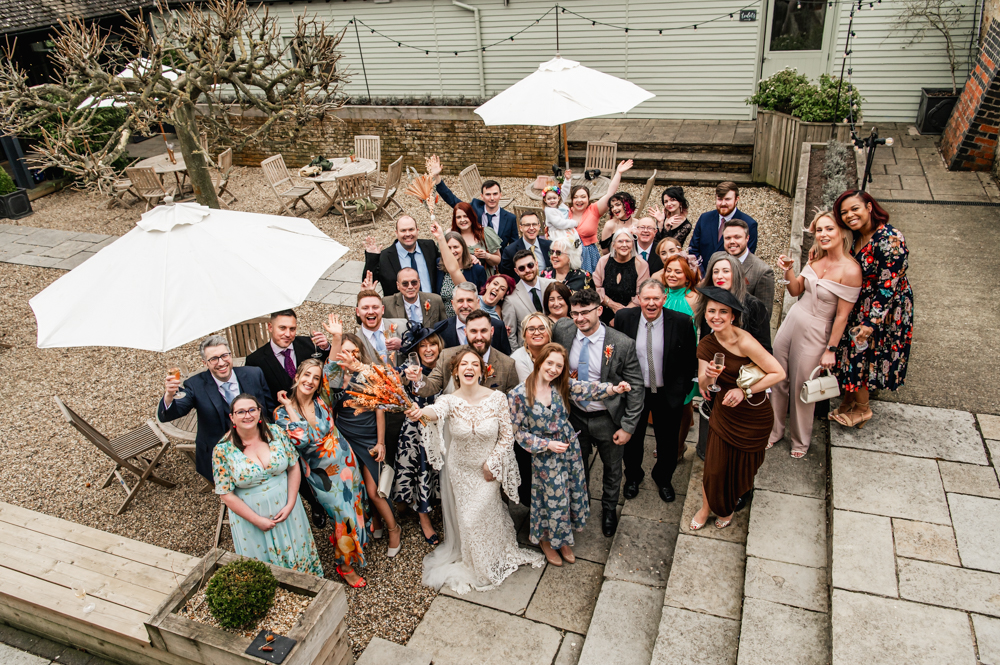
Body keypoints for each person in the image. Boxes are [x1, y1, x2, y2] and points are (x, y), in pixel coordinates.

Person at [404, 347, 545, 593]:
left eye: (474, 365)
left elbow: (506, 435)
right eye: (464, 365)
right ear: (456, 372)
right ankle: (475, 563)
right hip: (461, 471)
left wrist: (493, 463)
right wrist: (420, 413)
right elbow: (433, 413)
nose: (469, 368)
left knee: (485, 514)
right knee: (468, 521)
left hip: (487, 471)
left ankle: (496, 553)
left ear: (482, 371)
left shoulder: (497, 398)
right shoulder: (448, 400)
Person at [509, 343, 631, 566]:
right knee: (550, 498)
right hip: (545, 454)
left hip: (569, 449)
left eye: (559, 365)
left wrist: (614, 389)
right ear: (539, 361)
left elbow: (588, 388)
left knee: (569, 492)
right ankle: (546, 540)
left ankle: (563, 539)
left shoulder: (561, 384)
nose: (553, 369)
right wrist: (546, 444)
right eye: (550, 363)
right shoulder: (518, 395)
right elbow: (518, 433)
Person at [272, 318, 368, 587]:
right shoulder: (281, 413)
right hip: (323, 475)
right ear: (297, 377)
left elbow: (334, 371)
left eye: (315, 378)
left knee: (355, 507)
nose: (312, 381)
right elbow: (304, 440)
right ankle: (345, 566)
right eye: (307, 376)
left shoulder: (322, 399)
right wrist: (291, 409)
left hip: (347, 463)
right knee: (344, 515)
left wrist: (336, 338)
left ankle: (343, 540)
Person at [552, 289, 644, 537]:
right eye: (575, 313)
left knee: (613, 469)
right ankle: (578, 507)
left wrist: (627, 427)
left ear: (599, 310)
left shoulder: (622, 344)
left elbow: (635, 389)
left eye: (585, 312)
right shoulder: (563, 330)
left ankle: (609, 510)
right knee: (575, 466)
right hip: (575, 415)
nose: (579, 318)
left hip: (607, 417)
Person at [769, 211, 861, 458]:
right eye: (819, 230)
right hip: (793, 321)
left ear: (842, 232)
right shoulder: (814, 259)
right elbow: (796, 290)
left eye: (829, 229)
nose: (823, 234)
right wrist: (788, 270)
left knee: (802, 386)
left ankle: (800, 441)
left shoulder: (851, 270)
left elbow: (841, 316)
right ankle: (775, 431)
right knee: (777, 378)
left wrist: (830, 349)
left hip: (818, 329)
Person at [691, 287, 784, 530]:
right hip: (724, 415)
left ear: (733, 316)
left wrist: (744, 391)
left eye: (723, 311)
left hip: (753, 416)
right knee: (713, 468)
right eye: (712, 311)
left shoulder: (744, 341)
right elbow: (704, 385)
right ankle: (705, 508)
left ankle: (728, 508)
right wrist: (709, 377)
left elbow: (778, 373)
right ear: (706, 314)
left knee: (739, 472)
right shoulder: (708, 343)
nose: (716, 316)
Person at [830, 190, 914, 429]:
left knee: (864, 356)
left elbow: (888, 285)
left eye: (854, 208)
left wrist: (870, 322)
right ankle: (849, 401)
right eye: (844, 212)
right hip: (859, 303)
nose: (849, 215)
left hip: (885, 310)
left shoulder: (890, 238)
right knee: (849, 353)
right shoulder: (855, 236)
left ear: (869, 207)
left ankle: (864, 410)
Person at [213, 394, 323, 575]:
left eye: (251, 410)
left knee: (298, 549)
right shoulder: (222, 450)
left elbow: (294, 467)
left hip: (288, 509)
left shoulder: (276, 433)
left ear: (259, 412)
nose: (247, 415)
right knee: (264, 565)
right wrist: (257, 520)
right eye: (240, 412)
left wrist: (291, 503)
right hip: (252, 518)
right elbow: (225, 494)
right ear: (232, 417)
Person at [244, 309, 331, 528]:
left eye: (292, 328)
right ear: (270, 327)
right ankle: (315, 504)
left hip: (313, 413)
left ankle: (331, 496)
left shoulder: (306, 344)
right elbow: (259, 399)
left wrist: (326, 348)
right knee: (296, 466)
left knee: (323, 459)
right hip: (282, 421)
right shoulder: (255, 360)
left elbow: (326, 370)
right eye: (283, 328)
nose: (288, 333)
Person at [614, 279, 699, 502]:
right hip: (635, 392)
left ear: (664, 299)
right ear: (639, 299)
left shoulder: (681, 321)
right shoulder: (624, 319)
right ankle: (633, 477)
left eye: (656, 299)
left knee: (668, 441)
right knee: (633, 439)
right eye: (646, 298)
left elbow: (690, 358)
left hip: (667, 393)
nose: (651, 304)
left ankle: (663, 478)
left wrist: (682, 390)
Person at [160, 335, 275, 481]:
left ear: (230, 355)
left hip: (258, 448)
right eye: (213, 359)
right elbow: (170, 413)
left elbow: (268, 411)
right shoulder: (195, 385)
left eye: (224, 356)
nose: (221, 363)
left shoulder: (254, 374)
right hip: (220, 457)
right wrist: (169, 396)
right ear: (205, 363)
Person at [329, 333, 404, 559]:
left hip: (369, 437)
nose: (351, 356)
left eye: (355, 351)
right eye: (346, 351)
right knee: (359, 488)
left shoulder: (368, 374)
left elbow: (380, 409)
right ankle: (377, 522)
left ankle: (394, 529)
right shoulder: (334, 377)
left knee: (374, 491)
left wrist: (380, 442)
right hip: (345, 439)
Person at [395, 326, 445, 545]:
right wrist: (404, 377)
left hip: (442, 428)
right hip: (417, 430)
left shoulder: (445, 365)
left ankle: (442, 507)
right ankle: (424, 518)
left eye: (432, 344)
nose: (428, 349)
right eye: (422, 345)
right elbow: (395, 380)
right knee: (421, 471)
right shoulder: (410, 366)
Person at [660, 253, 703, 456]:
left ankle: (678, 446)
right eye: (669, 270)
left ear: (688, 276)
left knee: (685, 405)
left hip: (684, 361)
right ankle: (665, 443)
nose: (672, 274)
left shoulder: (694, 299)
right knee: (663, 405)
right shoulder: (659, 295)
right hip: (661, 360)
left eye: (678, 271)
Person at [428, 154, 518, 249]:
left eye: (495, 194)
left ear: (500, 195)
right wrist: (437, 177)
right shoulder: (474, 208)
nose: (492, 198)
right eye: (488, 194)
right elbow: (452, 199)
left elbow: (514, 246)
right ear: (482, 196)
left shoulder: (510, 218)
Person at [695, 254, 771, 353]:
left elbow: (765, 348)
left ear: (736, 275)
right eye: (716, 272)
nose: (719, 276)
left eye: (726, 271)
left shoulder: (754, 305)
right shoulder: (707, 300)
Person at [571, 159, 633, 272]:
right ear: (571, 200)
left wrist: (618, 173)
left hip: (588, 255)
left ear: (588, 199)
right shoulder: (566, 213)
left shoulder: (594, 210)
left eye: (583, 197)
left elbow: (610, 194)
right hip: (570, 254)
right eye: (576, 197)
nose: (579, 200)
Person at [712, 217, 775, 322]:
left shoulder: (763, 272)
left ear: (747, 238)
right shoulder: (716, 258)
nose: (732, 241)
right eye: (728, 238)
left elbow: (763, 316)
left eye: (737, 237)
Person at [688, 182, 759, 270]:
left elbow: (746, 258)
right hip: (703, 278)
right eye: (720, 199)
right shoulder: (704, 218)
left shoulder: (749, 224)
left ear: (737, 199)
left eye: (727, 199)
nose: (723, 203)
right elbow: (693, 249)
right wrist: (702, 275)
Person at [362, 216, 439, 296]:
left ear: (417, 230)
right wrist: (372, 258)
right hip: (400, 307)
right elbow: (368, 282)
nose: (408, 234)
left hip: (431, 304)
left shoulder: (430, 247)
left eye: (411, 229)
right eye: (403, 230)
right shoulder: (385, 257)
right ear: (396, 233)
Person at [594, 228, 651, 325]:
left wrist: (621, 315)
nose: (624, 245)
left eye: (628, 241)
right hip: (604, 314)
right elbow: (597, 288)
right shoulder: (603, 261)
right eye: (620, 241)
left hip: (631, 316)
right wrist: (612, 305)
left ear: (632, 244)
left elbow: (641, 294)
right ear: (613, 245)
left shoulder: (641, 264)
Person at [438, 281, 512, 355]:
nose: (465, 306)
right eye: (460, 301)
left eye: (469, 300)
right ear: (453, 304)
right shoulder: (441, 329)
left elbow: (505, 359)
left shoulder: (497, 326)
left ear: (478, 303)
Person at [432, 221, 488, 317]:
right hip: (445, 321)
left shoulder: (477, 270)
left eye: (456, 247)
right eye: (448, 247)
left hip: (468, 317)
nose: (452, 251)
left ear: (463, 248)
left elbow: (483, 300)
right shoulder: (438, 265)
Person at [503, 250, 554, 348]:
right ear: (516, 271)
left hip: (555, 348)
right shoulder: (510, 299)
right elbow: (511, 335)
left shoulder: (552, 285)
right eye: (521, 268)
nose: (527, 270)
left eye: (530, 265)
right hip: (528, 353)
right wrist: (517, 356)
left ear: (536, 264)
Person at [382, 267, 447, 328]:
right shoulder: (387, 304)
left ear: (419, 282)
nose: (410, 287)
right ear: (398, 285)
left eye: (414, 283)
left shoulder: (435, 300)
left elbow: (445, 327)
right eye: (405, 284)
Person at [354, 290, 406, 365]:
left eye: (375, 307)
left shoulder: (403, 325)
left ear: (382, 310)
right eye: (365, 308)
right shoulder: (354, 343)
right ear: (358, 312)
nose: (371, 311)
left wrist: (403, 346)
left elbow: (419, 355)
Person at [451, 200, 502, 275]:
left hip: (483, 280)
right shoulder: (451, 236)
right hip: (460, 279)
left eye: (466, 216)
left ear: (472, 216)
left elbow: (497, 260)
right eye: (458, 217)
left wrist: (486, 256)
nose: (462, 220)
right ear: (455, 220)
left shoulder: (485, 233)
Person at [499, 212, 552, 280]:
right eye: (527, 225)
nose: (531, 228)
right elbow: (507, 278)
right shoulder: (510, 251)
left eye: (534, 224)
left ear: (539, 226)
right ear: (521, 228)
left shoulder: (549, 246)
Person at [511, 312, 552, 382]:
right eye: (531, 329)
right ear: (524, 334)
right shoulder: (517, 358)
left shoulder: (557, 354)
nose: (537, 333)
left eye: (542, 328)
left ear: (549, 332)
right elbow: (529, 388)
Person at [541, 178, 580, 246]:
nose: (552, 200)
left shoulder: (559, 204)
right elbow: (560, 224)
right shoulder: (549, 211)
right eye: (549, 199)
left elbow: (564, 192)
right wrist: (574, 222)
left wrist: (567, 180)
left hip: (563, 230)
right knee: (565, 247)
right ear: (545, 200)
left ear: (558, 198)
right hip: (558, 234)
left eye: (554, 198)